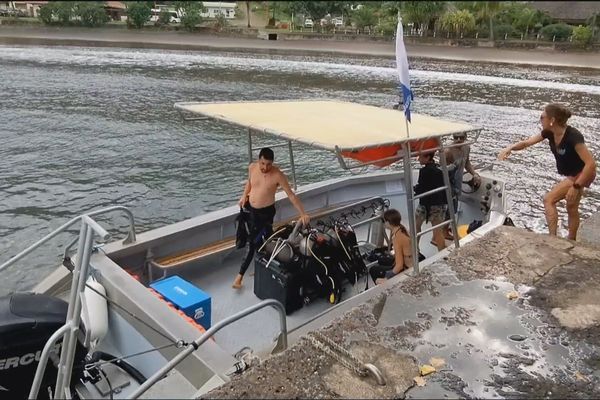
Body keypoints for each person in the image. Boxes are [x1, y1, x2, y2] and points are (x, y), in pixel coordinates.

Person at [498, 103, 596, 240]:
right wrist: (510, 148)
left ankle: (552, 239)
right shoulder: (549, 133)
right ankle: (571, 240)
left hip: (582, 174)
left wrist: (576, 186)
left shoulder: (573, 137)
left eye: (542, 117)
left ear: (552, 120)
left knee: (549, 200)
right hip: (573, 174)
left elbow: (591, 164)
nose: (540, 119)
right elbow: (527, 143)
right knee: (571, 207)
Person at [233, 147, 310, 289]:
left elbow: (291, 195)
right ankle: (262, 266)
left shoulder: (277, 175)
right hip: (251, 210)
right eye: (262, 164)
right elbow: (249, 183)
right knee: (260, 240)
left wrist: (302, 213)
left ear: (272, 163)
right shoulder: (252, 168)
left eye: (268, 164)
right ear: (258, 160)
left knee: (255, 241)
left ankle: (239, 276)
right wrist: (244, 195)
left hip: (266, 213)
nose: (265, 167)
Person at [444, 132, 481, 240]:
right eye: (456, 137)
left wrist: (474, 174)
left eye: (461, 137)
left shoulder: (466, 148)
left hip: (458, 181)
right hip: (448, 182)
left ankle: (445, 229)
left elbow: (467, 163)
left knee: (453, 209)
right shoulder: (448, 151)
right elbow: (443, 171)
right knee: (448, 208)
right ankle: (441, 232)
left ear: (465, 138)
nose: (458, 140)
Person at [414, 151, 447, 251]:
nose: (418, 159)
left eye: (420, 157)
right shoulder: (439, 170)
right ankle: (442, 254)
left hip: (425, 205)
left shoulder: (424, 171)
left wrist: (415, 189)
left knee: (416, 227)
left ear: (428, 157)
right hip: (439, 205)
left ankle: (414, 250)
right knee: (438, 232)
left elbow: (421, 188)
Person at [370, 209, 413, 285]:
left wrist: (387, 278)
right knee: (381, 260)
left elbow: (399, 265)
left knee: (373, 270)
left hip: (405, 267)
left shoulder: (397, 238)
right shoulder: (402, 228)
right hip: (407, 261)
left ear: (388, 223)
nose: (383, 224)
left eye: (384, 221)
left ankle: (383, 288)